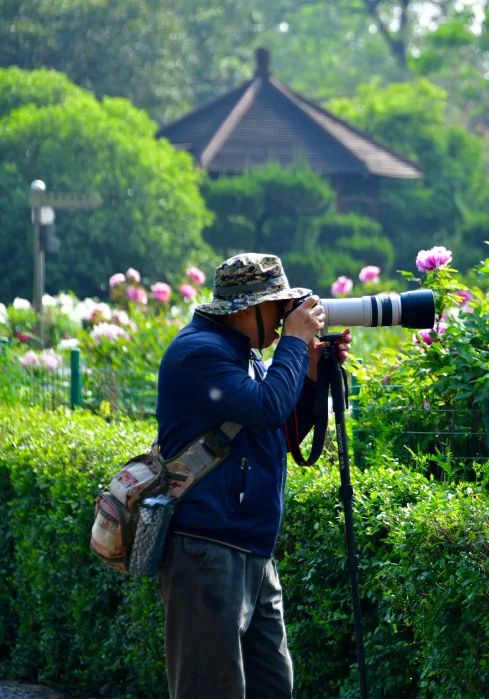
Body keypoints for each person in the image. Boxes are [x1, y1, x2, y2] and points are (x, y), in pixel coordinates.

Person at [155, 253, 351, 698]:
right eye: (277, 308)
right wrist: (295, 345)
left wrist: (310, 376)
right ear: (248, 308)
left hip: (252, 551)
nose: (284, 319)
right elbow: (264, 408)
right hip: (207, 550)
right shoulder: (198, 353)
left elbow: (278, 431)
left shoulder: (245, 357)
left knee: (273, 688)